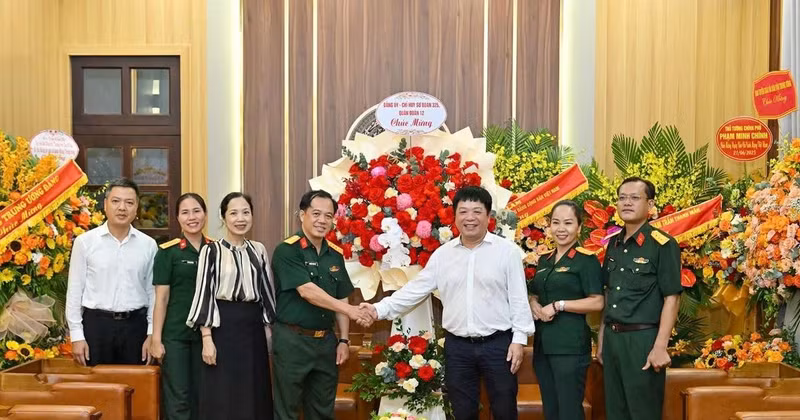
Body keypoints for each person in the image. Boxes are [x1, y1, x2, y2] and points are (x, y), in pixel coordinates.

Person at [361, 186, 535, 420]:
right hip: (458, 348)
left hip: (499, 346)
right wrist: (378, 309)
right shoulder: (443, 255)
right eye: (463, 211)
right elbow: (415, 290)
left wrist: (519, 340)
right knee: (462, 412)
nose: (470, 218)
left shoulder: (508, 252)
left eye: (477, 211)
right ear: (454, 216)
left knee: (504, 409)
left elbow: (518, 298)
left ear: (488, 216)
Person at [271, 190, 370, 420]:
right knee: (288, 410)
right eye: (316, 214)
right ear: (302, 215)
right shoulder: (287, 250)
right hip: (292, 341)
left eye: (328, 215)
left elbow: (343, 297)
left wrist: (344, 340)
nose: (322, 220)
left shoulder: (334, 254)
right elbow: (307, 291)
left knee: (323, 410)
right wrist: (350, 311)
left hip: (326, 343)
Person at [596, 177, 682, 420]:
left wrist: (660, 346)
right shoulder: (613, 244)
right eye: (622, 197)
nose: (627, 203)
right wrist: (602, 338)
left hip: (642, 340)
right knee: (616, 411)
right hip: (613, 339)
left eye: (635, 198)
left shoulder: (662, 245)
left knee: (643, 412)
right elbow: (609, 293)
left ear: (650, 204)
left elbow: (672, 298)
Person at [186, 192, 276, 420]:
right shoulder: (211, 250)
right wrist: (207, 339)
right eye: (233, 213)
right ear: (223, 217)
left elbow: (266, 292)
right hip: (222, 328)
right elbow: (204, 293)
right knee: (222, 392)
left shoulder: (258, 249)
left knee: (254, 390)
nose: (240, 218)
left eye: (246, 212)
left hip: (253, 329)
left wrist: (269, 333)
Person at [66, 178, 157, 366]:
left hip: (135, 327)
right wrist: (76, 335)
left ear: (136, 208)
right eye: (116, 201)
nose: (122, 208)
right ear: (105, 205)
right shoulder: (85, 242)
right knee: (96, 390)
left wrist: (151, 333)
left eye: (129, 202)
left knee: (137, 388)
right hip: (96, 327)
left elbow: (152, 293)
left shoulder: (148, 245)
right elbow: (75, 290)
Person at [528, 200, 604, 420]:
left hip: (569, 347)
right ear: (549, 225)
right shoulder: (544, 260)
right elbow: (535, 293)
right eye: (556, 222)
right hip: (543, 346)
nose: (561, 229)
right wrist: (533, 303)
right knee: (551, 410)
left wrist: (559, 305)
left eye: (568, 223)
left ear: (579, 227)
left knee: (569, 411)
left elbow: (597, 302)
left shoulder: (586, 260)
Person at [151, 193, 212, 420]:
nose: (192, 217)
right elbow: (162, 298)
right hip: (176, 336)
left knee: (204, 396)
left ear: (205, 214)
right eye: (185, 212)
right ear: (177, 218)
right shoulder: (168, 251)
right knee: (178, 397)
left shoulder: (216, 249)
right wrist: (156, 338)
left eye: (196, 211)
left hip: (209, 337)